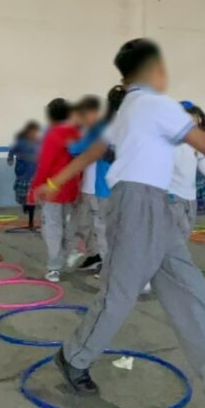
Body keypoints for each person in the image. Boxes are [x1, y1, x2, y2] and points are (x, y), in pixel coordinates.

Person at [35, 38, 205, 408]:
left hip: (155, 206)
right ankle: (73, 357)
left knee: (191, 293)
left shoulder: (128, 110)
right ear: (151, 70)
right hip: (137, 204)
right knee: (119, 294)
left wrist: (54, 181)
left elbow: (93, 152)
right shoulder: (157, 105)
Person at [70, 87, 125, 272]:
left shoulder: (103, 127)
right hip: (118, 187)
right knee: (105, 227)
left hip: (105, 188)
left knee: (103, 228)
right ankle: (101, 259)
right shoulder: (130, 125)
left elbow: (75, 149)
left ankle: (109, 266)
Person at [30, 98, 82, 282]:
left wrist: (35, 189)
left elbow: (44, 165)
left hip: (53, 191)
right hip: (72, 189)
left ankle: (54, 268)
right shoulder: (77, 134)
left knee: (53, 228)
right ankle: (68, 254)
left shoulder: (52, 136)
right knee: (68, 226)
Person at [170, 105, 205, 240]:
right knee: (181, 228)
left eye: (194, 125)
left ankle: (174, 251)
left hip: (190, 195)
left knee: (187, 230)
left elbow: (201, 159)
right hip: (173, 194)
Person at [8, 120, 42, 229]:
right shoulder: (21, 143)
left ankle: (31, 222)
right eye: (32, 132)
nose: (34, 134)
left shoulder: (39, 143)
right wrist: (10, 159)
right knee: (23, 198)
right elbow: (12, 150)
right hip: (23, 175)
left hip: (34, 176)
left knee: (32, 199)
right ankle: (25, 206)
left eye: (35, 132)